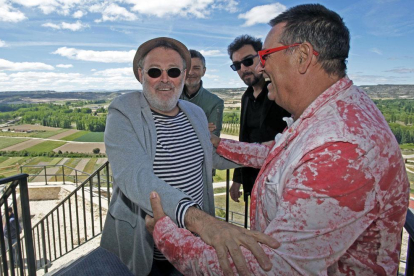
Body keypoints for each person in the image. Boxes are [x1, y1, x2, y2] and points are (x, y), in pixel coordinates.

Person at [146, 4, 410, 275]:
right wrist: (218, 144)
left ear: (303, 56)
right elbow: (281, 152)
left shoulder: (342, 150)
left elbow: (270, 268)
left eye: (267, 55)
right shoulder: (333, 112)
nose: (261, 66)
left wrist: (167, 232)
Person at [100, 37, 278, 276]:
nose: (165, 79)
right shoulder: (123, 111)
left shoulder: (194, 113)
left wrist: (270, 152)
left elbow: (209, 155)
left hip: (191, 246)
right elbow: (135, 176)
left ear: (183, 75)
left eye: (173, 71)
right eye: (155, 71)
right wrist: (202, 222)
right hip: (147, 248)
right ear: (141, 74)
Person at [227, 35, 289, 210]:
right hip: (253, 178)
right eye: (237, 65)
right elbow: (243, 138)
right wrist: (237, 180)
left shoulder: (282, 92)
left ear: (262, 57)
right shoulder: (246, 97)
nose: (243, 69)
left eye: (247, 61)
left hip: (279, 181)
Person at [181, 49, 224, 136]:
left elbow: (212, 139)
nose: (190, 72)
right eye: (187, 68)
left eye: (196, 68)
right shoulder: (170, 97)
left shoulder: (215, 102)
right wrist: (201, 128)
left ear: (203, 71)